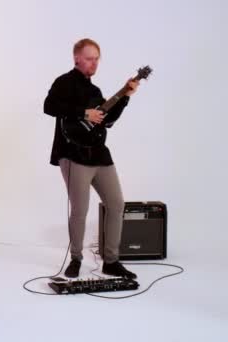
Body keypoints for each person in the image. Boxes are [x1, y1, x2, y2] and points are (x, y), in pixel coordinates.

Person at [43, 38, 139, 279]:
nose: (93, 63)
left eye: (97, 58)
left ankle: (111, 261)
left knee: (116, 204)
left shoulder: (95, 91)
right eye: (89, 58)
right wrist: (83, 112)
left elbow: (107, 119)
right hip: (73, 154)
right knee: (80, 210)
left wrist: (125, 96)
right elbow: (49, 106)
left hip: (99, 153)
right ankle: (76, 259)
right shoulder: (63, 82)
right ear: (76, 58)